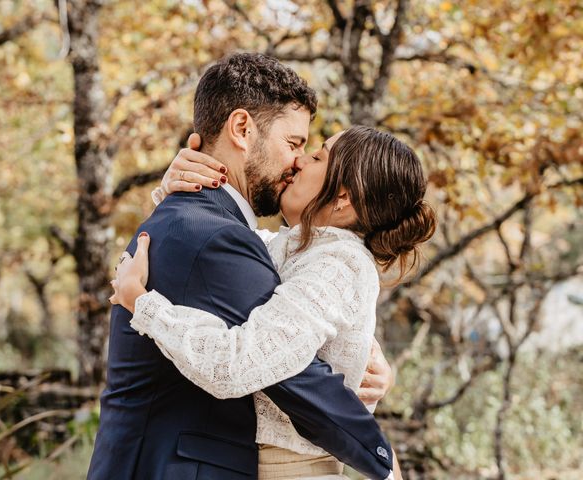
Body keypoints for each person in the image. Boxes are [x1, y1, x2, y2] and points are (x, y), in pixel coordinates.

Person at [88, 52, 399, 480]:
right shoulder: (215, 233)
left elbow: (299, 318)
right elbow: (290, 374)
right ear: (241, 129)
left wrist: (361, 353)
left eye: (311, 152)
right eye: (294, 144)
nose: (297, 163)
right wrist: (380, 455)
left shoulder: (214, 226)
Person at [111, 125, 436, 479]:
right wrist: (175, 191)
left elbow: (233, 366)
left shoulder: (338, 265)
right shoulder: (296, 250)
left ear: (343, 197)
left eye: (316, 156)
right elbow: (218, 249)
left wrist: (143, 304)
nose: (298, 162)